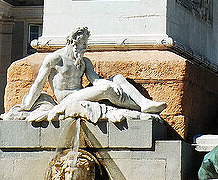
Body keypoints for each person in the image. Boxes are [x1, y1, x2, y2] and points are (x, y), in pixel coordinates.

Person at [10, 27, 166, 121]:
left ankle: (144, 103)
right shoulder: (55, 59)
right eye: (82, 44)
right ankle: (137, 109)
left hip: (81, 94)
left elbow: (96, 80)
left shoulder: (85, 62)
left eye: (86, 43)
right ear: (72, 42)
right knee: (107, 90)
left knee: (117, 78)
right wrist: (27, 106)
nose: (85, 47)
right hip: (66, 100)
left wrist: (109, 82)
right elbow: (38, 83)